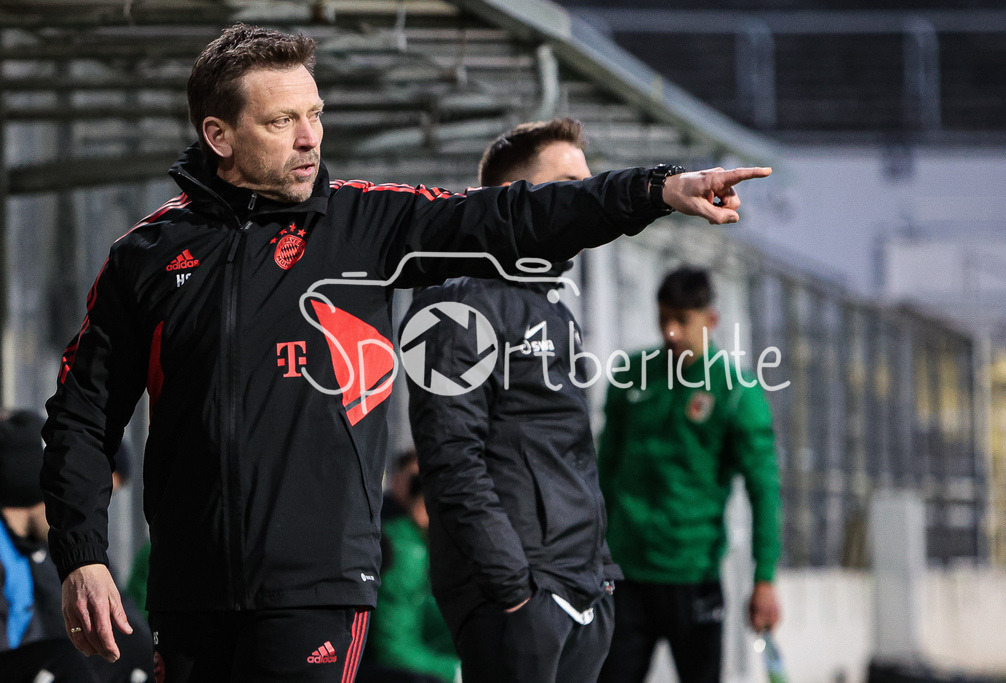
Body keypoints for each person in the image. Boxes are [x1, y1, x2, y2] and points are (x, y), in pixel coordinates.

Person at [39, 22, 771, 682]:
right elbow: (81, 415)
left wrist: (656, 189)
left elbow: (514, 216)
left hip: (321, 590)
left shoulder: (367, 223)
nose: (309, 137)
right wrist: (83, 552)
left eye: (315, 113)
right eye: (283, 119)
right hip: (189, 590)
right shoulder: (146, 256)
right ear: (219, 136)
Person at [402, 118, 619, 683]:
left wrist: (601, 575)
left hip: (582, 591)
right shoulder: (452, 307)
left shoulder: (554, 309)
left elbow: (566, 456)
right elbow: (450, 459)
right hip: (520, 599)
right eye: (569, 187)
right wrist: (516, 591)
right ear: (510, 201)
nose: (586, 201)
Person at [596, 266, 782, 682]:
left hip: (693, 576)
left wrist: (764, 577)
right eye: (664, 319)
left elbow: (763, 489)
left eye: (682, 320)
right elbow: (601, 471)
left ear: (710, 320)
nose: (671, 333)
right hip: (626, 577)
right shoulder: (631, 375)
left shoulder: (736, 391)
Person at [0, 410, 150, 683]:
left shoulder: (38, 551)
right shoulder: (23, 551)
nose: (79, 518)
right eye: (70, 502)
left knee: (127, 650)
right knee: (64, 659)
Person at [364, 475, 460, 683]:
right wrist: (455, 671)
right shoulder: (408, 553)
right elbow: (392, 646)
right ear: (423, 508)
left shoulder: (424, 547)